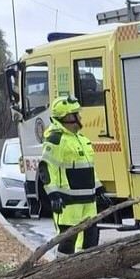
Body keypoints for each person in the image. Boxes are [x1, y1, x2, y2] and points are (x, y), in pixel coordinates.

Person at [40, 96, 110, 255]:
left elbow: (89, 169)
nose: (80, 117)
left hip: (89, 202)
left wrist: (99, 190)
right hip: (68, 203)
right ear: (69, 117)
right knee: (67, 241)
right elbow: (46, 168)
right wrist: (54, 195)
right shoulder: (56, 140)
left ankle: (86, 273)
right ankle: (62, 273)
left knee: (91, 239)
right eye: (77, 114)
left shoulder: (82, 140)